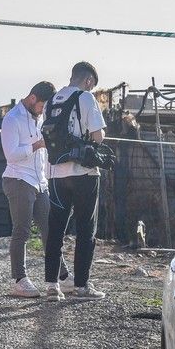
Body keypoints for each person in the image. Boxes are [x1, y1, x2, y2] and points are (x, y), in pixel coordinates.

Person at [43, 61, 107, 300]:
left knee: (56, 230)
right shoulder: (86, 98)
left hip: (56, 174)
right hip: (84, 175)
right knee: (85, 230)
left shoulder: (52, 100)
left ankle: (51, 286)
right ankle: (81, 286)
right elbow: (98, 137)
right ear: (89, 81)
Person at [0, 81, 69, 297]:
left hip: (40, 182)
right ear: (32, 99)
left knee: (51, 229)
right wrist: (38, 145)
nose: (43, 111)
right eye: (42, 106)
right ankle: (19, 279)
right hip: (19, 180)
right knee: (22, 230)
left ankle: (63, 277)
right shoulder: (12, 119)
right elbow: (11, 154)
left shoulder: (41, 118)